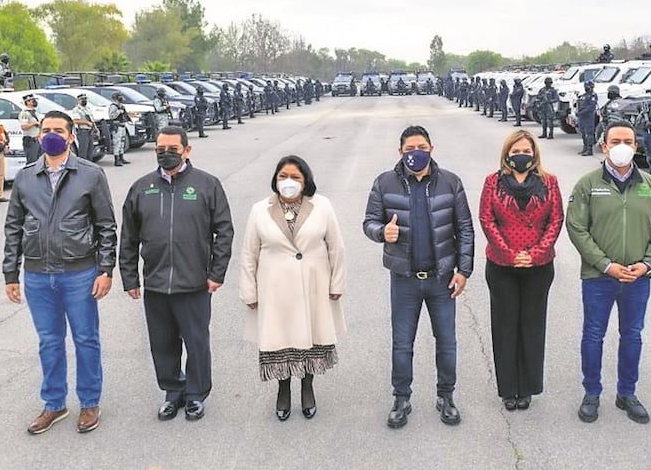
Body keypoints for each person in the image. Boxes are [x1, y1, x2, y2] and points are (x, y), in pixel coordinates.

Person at [3, 110, 117, 435]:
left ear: (70, 136)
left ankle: (90, 401)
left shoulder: (90, 175)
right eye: (46, 129)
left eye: (58, 130)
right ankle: (54, 404)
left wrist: (105, 269)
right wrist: (11, 274)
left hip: (79, 272)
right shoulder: (26, 177)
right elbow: (13, 227)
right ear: (38, 136)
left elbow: (106, 225)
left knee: (85, 338)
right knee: (49, 341)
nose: (51, 134)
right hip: (38, 275)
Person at [362, 125, 474, 429]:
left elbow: (464, 228)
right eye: (410, 148)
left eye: (421, 147)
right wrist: (381, 232)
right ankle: (401, 398)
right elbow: (369, 222)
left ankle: (446, 396)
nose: (416, 153)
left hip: (441, 279)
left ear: (431, 149)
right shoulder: (385, 183)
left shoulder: (450, 183)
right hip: (404, 279)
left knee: (447, 342)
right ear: (400, 152)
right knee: (402, 342)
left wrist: (464, 271)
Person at [120, 126, 234, 423]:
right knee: (163, 343)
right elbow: (129, 237)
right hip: (156, 283)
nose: (166, 154)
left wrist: (216, 273)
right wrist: (130, 278)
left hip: (194, 282)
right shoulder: (142, 188)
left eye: (172, 149)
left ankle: (195, 395)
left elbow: (224, 232)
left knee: (196, 343)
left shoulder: (207, 185)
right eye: (160, 149)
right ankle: (172, 391)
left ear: (187, 150)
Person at [565, 120, 651, 425]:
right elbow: (576, 227)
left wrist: (649, 262)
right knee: (593, 335)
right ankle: (592, 393)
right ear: (604, 146)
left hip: (637, 278)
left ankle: (627, 393)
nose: (622, 146)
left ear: (636, 146)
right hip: (599, 278)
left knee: (632, 335)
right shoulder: (588, 185)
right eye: (616, 141)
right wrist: (605, 264)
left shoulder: (650, 185)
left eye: (628, 141)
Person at [240, 155, 346, 421]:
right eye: (283, 177)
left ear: (305, 180)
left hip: (314, 284)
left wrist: (337, 283)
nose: (288, 182)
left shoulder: (321, 206)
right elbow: (248, 253)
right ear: (275, 180)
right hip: (275, 289)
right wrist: (249, 291)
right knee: (280, 339)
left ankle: (307, 387)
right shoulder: (259, 209)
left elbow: (336, 246)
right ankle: (283, 388)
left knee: (311, 337)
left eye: (295, 177)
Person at [479, 130, 563, 410]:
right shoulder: (493, 182)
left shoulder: (549, 182)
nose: (521, 155)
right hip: (502, 265)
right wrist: (510, 254)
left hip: (538, 267)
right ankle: (508, 389)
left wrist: (535, 254)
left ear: (534, 153)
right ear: (506, 154)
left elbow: (556, 220)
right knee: (504, 327)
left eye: (526, 150)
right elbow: (486, 219)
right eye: (515, 151)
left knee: (532, 326)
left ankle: (527, 387)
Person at [71, 93, 97, 161]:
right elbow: (76, 120)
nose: (84, 100)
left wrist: (96, 129)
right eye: (82, 99)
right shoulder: (76, 110)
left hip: (90, 131)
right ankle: (82, 167)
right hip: (82, 131)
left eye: (85, 99)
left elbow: (92, 120)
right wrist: (87, 123)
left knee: (90, 151)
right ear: (78, 100)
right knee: (83, 151)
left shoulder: (88, 108)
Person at [108, 92, 131, 166]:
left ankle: (121, 157)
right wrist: (118, 112)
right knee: (117, 143)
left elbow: (125, 115)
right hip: (116, 127)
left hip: (122, 125)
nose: (121, 98)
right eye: (119, 96)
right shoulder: (113, 106)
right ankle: (116, 159)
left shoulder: (121, 106)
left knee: (122, 142)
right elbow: (111, 116)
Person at [19, 93, 42, 164]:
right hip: (30, 140)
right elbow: (24, 127)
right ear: (28, 102)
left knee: (40, 162)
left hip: (38, 140)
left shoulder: (36, 112)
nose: (34, 102)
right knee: (32, 162)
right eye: (32, 100)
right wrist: (34, 123)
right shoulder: (24, 113)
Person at [577, 82, 598, 156]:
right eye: (585, 86)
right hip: (581, 118)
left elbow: (591, 107)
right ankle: (585, 148)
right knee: (583, 133)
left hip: (588, 117)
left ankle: (590, 150)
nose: (586, 87)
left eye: (587, 86)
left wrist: (581, 112)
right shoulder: (583, 96)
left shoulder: (593, 96)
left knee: (589, 134)